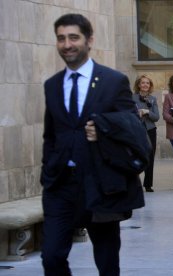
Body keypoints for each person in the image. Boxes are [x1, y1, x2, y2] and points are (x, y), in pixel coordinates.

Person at [40, 13, 145, 275]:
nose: (67, 44)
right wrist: (48, 171)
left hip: (100, 183)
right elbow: (50, 135)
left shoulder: (113, 81)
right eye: (61, 38)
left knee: (107, 260)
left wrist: (104, 131)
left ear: (89, 40)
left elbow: (132, 128)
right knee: (51, 256)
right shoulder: (52, 85)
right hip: (61, 185)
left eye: (74, 37)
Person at [133, 75, 160, 192]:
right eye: (143, 83)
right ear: (138, 85)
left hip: (150, 130)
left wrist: (147, 111)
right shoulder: (132, 98)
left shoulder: (153, 99)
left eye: (147, 83)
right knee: (135, 155)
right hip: (136, 130)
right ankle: (134, 182)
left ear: (150, 86)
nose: (145, 85)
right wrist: (136, 113)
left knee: (150, 157)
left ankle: (148, 184)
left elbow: (156, 117)